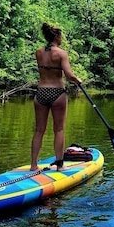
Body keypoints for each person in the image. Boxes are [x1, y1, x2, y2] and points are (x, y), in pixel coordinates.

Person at [31, 23, 82, 171]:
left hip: (40, 92)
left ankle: (33, 165)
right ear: (57, 36)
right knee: (58, 129)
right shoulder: (61, 53)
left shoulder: (38, 52)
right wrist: (78, 80)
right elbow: (69, 75)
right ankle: (60, 165)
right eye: (61, 36)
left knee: (39, 130)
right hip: (57, 93)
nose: (62, 39)